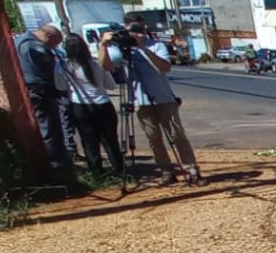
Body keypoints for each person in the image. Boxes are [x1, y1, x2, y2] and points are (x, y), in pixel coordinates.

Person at [98, 21, 203, 186]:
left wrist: (143, 48)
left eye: (138, 31)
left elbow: (165, 67)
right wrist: (104, 45)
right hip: (140, 100)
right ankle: (166, 170)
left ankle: (191, 169)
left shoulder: (156, 46)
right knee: (154, 138)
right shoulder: (120, 49)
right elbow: (106, 66)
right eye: (129, 32)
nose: (134, 35)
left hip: (164, 97)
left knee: (176, 135)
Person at [15, 24, 78, 186]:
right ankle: (58, 168)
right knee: (50, 129)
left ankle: (53, 165)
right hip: (40, 92)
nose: (54, 47)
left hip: (31, 92)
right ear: (48, 37)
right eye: (54, 43)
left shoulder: (19, 42)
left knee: (45, 128)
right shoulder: (34, 46)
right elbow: (49, 69)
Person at [63, 33, 124, 177]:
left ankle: (97, 172)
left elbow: (60, 86)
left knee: (89, 141)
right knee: (110, 140)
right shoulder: (97, 63)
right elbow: (111, 85)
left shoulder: (64, 66)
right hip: (103, 105)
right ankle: (119, 170)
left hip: (80, 107)